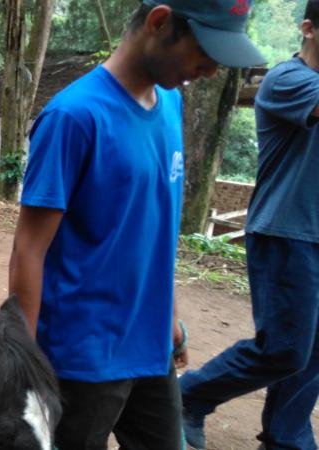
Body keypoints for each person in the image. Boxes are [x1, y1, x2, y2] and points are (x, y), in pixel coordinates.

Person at [8, 1, 265, 449]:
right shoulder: (73, 117)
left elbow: (152, 232)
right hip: (82, 356)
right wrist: (22, 364)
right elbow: (29, 249)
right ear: (159, 22)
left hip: (150, 347)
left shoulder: (170, 104)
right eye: (203, 52)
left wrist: (170, 319)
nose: (209, 70)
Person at [180, 2, 319, 449]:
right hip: (286, 231)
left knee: (313, 353)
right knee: (285, 348)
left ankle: (287, 436)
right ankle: (186, 396)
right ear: (308, 29)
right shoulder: (289, 80)